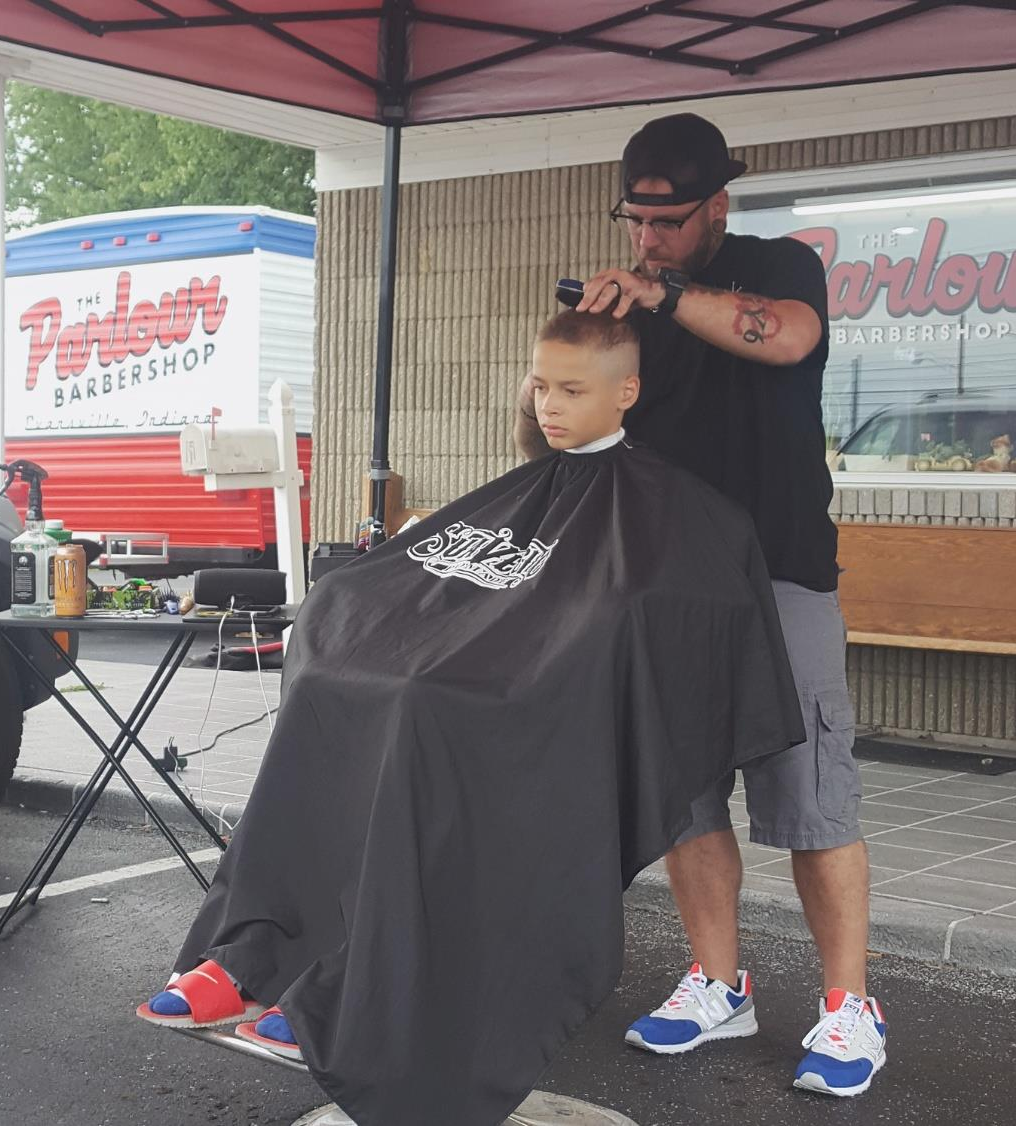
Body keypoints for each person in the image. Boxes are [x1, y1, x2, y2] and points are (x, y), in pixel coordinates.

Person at [137, 309, 805, 1126]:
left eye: (571, 389)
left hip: (541, 712)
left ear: (628, 391)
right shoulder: (529, 487)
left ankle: (349, 986)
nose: (549, 404)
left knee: (423, 713)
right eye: (540, 384)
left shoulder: (676, 514)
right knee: (330, 680)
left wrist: (495, 668)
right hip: (489, 681)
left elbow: (625, 630)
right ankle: (257, 950)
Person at [514, 113, 885, 1099]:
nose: (648, 241)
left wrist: (668, 293)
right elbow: (547, 437)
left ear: (717, 204)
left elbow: (787, 336)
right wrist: (571, 348)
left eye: (669, 222)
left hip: (783, 575)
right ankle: (719, 983)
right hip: (670, 585)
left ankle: (849, 1005)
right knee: (683, 796)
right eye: (637, 223)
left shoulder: (781, 264)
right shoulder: (634, 306)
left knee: (812, 797)